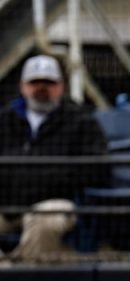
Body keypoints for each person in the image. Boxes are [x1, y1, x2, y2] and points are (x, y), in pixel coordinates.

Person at [0, 55, 108, 259]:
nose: (41, 88)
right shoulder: (6, 119)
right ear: (23, 86)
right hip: (8, 204)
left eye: (48, 83)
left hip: (57, 201)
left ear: (61, 87)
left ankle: (27, 277)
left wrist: (38, 179)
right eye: (35, 82)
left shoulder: (80, 119)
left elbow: (97, 167)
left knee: (44, 220)